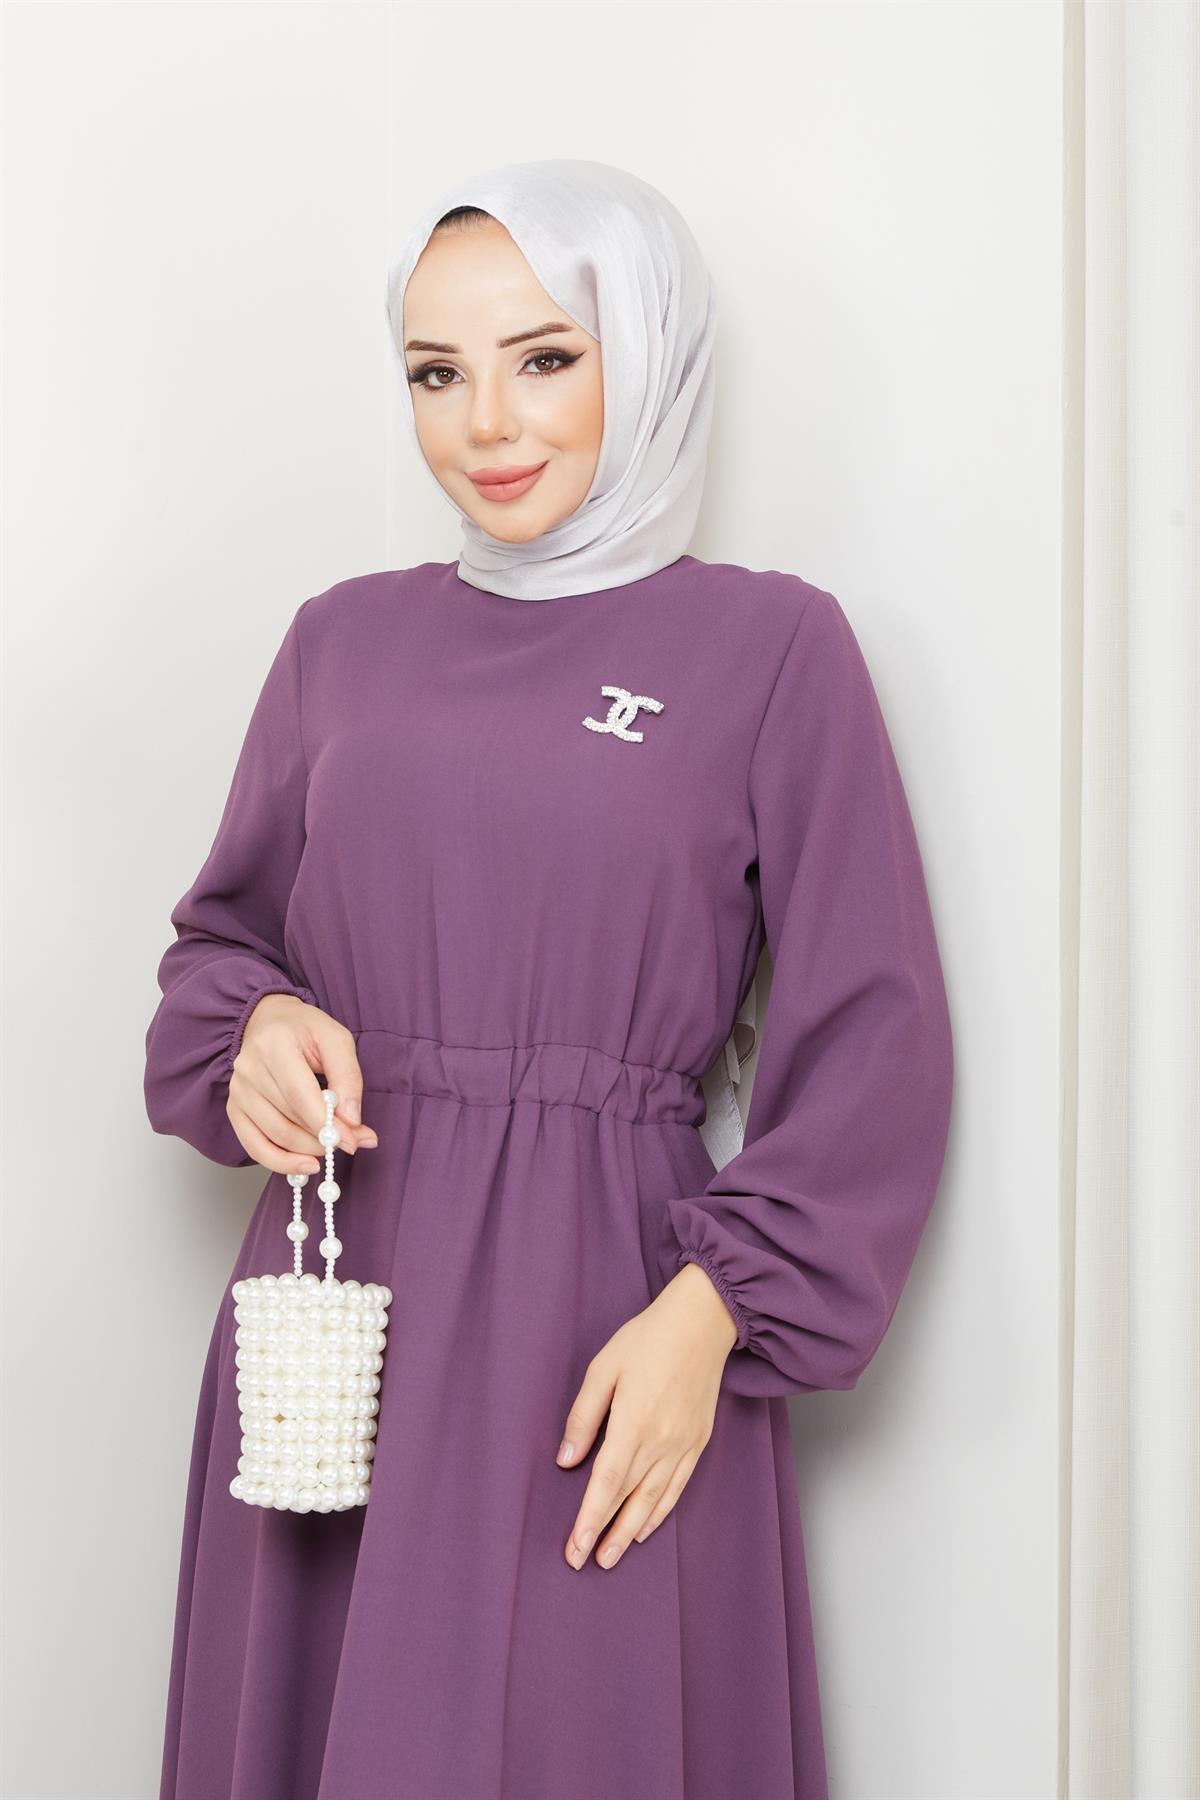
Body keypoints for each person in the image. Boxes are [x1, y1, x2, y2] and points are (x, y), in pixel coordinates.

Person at [145, 157, 954, 1800]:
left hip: (607, 1331)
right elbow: (219, 952)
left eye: (544, 358)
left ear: (643, 351)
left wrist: (714, 1317)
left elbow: (875, 1041)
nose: (487, 425)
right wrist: (258, 1032)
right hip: (333, 1331)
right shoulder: (338, 642)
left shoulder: (772, 650)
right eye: (436, 374)